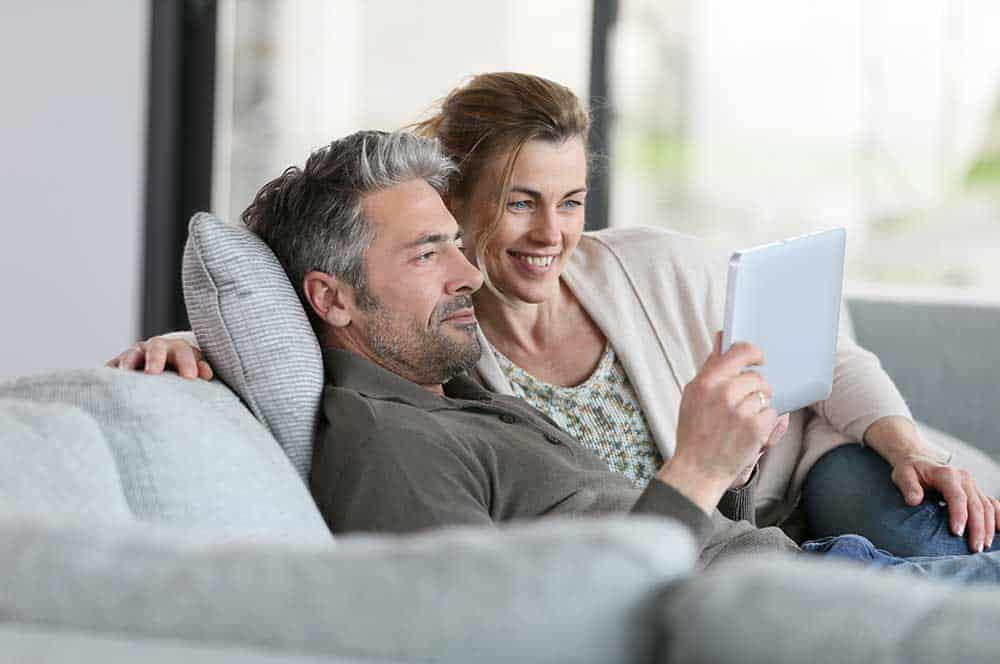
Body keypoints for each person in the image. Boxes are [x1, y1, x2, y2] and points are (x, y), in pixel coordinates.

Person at [113, 73, 1000, 559]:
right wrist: (201, 342)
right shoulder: (437, 366)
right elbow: (331, 304)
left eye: (573, 199)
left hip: (807, 496)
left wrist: (902, 440)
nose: (553, 234)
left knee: (873, 486)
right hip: (755, 567)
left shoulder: (624, 273)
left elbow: (835, 357)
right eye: (519, 203)